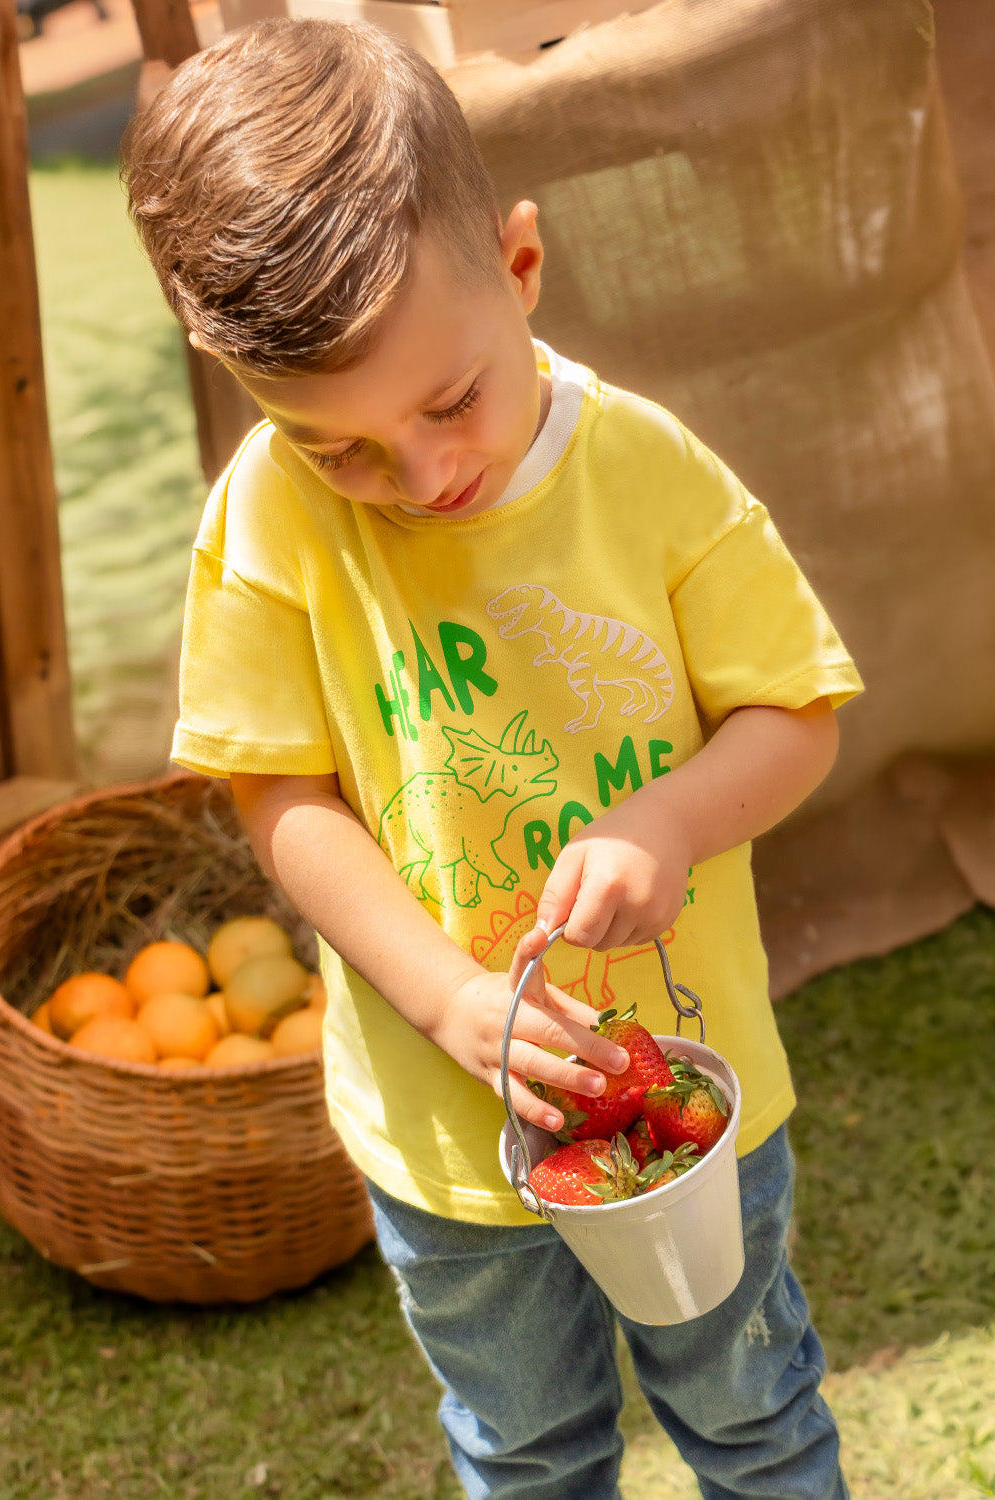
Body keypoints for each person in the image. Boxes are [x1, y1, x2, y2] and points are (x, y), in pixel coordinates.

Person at [121, 18, 863, 1498]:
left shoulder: (650, 474)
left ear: (520, 269)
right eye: (339, 449)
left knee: (753, 1418)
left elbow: (797, 716)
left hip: (691, 1096)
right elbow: (283, 795)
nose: (419, 477)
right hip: (445, 1138)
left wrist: (670, 819)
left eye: (448, 401)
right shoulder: (267, 518)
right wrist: (450, 999)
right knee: (522, 1451)